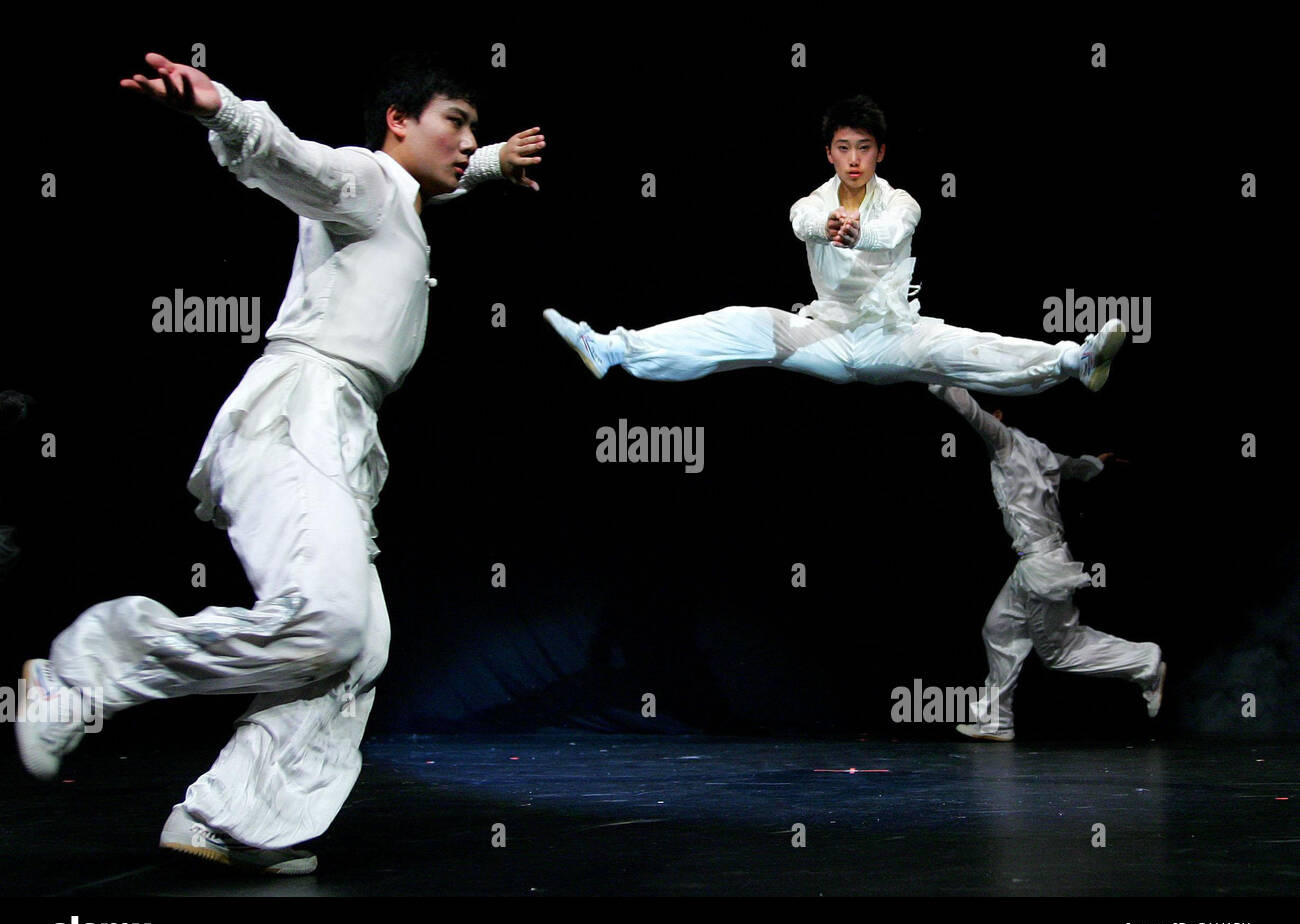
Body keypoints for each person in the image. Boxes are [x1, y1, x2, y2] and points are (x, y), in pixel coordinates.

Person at [15, 52, 545, 874]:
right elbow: (287, 158)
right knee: (331, 622)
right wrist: (219, 108)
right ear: (398, 124)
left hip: (333, 425)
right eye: (457, 123)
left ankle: (233, 820)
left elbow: (440, 177)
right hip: (301, 412)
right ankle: (84, 673)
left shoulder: (400, 201)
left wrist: (487, 164)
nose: (467, 140)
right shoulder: (365, 181)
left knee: (357, 645)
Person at [543, 95, 1123, 394]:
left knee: (966, 348)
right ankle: (613, 349)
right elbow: (801, 222)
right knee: (744, 321)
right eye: (843, 147)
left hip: (892, 335)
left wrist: (859, 231)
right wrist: (828, 227)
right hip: (826, 332)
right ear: (829, 153)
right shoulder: (810, 204)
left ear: (880, 153)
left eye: (864, 147)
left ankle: (1077, 359)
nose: (853, 158)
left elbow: (894, 231)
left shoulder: (902, 202)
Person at [928, 384, 1165, 741]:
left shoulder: (1006, 443)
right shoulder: (1040, 451)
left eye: (993, 420)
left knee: (1060, 651)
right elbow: (1074, 468)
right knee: (999, 629)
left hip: (1043, 565)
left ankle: (1146, 663)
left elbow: (970, 412)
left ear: (1000, 417)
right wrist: (1097, 464)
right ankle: (996, 721)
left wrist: (936, 376)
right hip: (1035, 563)